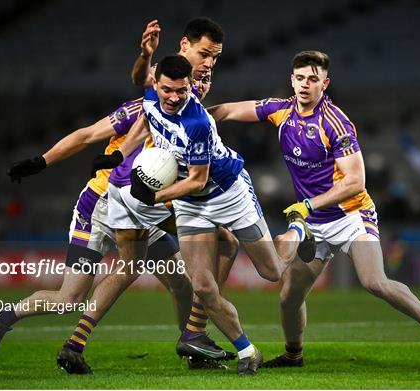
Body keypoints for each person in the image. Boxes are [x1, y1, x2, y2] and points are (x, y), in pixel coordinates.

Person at [0, 18, 238, 374]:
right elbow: (88, 135)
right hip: (101, 203)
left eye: (209, 73)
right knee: (69, 298)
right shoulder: (145, 109)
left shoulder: (193, 121)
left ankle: (193, 345)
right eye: (201, 68)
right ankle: (8, 316)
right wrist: (41, 161)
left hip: (143, 206)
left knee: (181, 280)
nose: (205, 76)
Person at [207, 50, 420, 366]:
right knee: (289, 297)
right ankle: (293, 355)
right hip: (313, 222)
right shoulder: (281, 111)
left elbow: (355, 181)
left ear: (324, 84)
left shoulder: (337, 124)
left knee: (374, 282)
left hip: (351, 215)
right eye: (300, 78)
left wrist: (308, 204)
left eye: (313, 79)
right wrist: (196, 116)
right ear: (291, 80)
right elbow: (229, 110)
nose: (305, 85)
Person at [101, 54, 314, 375]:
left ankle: (295, 230)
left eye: (182, 91)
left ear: (189, 87)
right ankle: (248, 351)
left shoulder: (197, 123)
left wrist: (154, 196)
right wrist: (120, 154)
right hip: (191, 203)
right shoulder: (150, 98)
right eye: (168, 90)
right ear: (156, 84)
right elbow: (141, 97)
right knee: (201, 285)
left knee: (271, 272)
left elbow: (197, 179)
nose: (174, 97)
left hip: (227, 192)